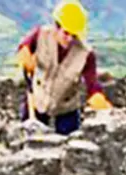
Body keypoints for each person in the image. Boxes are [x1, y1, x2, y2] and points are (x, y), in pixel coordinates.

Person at [16, 0, 113, 135]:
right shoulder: (40, 35)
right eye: (66, 33)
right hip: (37, 103)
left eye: (74, 35)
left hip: (66, 110)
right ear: (56, 27)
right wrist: (26, 59)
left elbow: (92, 85)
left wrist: (101, 104)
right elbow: (24, 48)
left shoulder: (86, 54)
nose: (69, 39)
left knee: (68, 147)